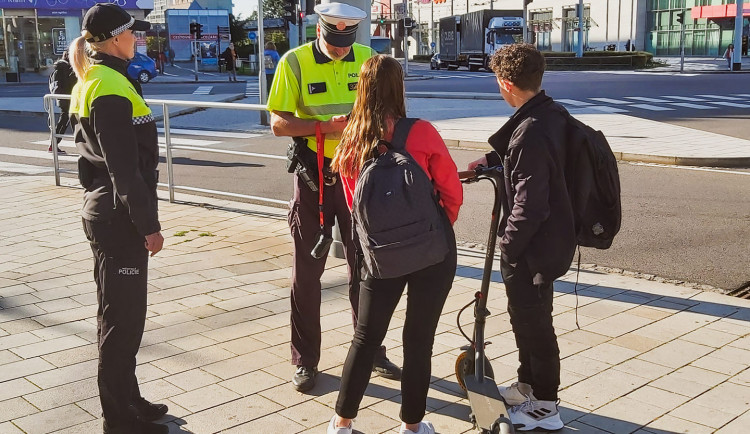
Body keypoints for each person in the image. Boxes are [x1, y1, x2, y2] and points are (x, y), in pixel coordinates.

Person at [266, 2, 401, 393]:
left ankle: (371, 351)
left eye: (347, 41)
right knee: (307, 274)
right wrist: (323, 125)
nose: (341, 49)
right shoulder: (294, 62)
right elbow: (278, 124)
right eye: (333, 41)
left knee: (368, 268)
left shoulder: (367, 58)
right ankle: (306, 360)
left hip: (362, 174)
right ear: (320, 30)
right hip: (316, 178)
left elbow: (388, 109)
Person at [327, 55, 463, 434]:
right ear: (398, 88)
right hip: (431, 253)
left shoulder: (351, 139)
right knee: (419, 339)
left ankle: (342, 423)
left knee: (366, 336)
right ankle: (413, 427)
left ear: (362, 89)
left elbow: (355, 204)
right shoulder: (420, 132)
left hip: (380, 256)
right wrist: (432, 229)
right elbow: (451, 191)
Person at [67, 4, 167, 433]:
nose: (137, 40)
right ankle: (120, 420)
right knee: (123, 323)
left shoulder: (97, 78)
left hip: (106, 210)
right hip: (119, 217)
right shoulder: (108, 86)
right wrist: (149, 225)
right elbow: (122, 169)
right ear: (113, 40)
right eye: (132, 34)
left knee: (116, 317)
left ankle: (129, 399)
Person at [467, 44, 576, 432]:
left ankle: (546, 406)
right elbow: (534, 166)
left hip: (533, 249)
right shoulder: (549, 113)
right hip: (550, 242)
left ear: (506, 84)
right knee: (527, 319)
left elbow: (529, 204)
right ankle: (529, 387)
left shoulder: (531, 130)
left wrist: (508, 248)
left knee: (535, 325)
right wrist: (491, 162)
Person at [48, 49, 77, 153]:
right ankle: (54, 144)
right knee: (66, 121)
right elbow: (72, 84)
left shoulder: (58, 68)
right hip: (68, 98)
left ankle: (53, 144)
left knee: (64, 121)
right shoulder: (67, 69)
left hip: (61, 98)